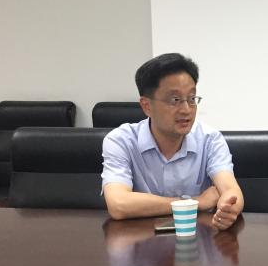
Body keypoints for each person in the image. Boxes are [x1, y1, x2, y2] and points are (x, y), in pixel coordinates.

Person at [101, 53, 244, 229]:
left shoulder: (210, 139)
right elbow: (118, 204)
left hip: (197, 241)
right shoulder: (121, 141)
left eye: (192, 99)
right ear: (147, 106)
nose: (186, 110)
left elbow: (230, 191)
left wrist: (228, 208)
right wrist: (196, 202)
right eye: (175, 100)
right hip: (141, 241)